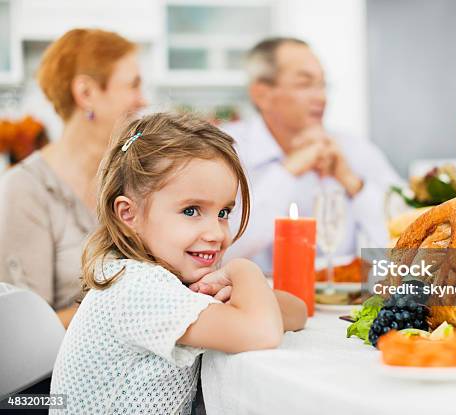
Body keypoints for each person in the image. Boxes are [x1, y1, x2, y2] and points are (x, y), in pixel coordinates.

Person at [50, 112, 306, 414]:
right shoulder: (137, 288)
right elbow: (263, 332)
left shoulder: (172, 281)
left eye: (223, 213)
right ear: (129, 214)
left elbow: (296, 312)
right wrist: (243, 270)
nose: (215, 233)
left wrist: (238, 293)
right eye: (191, 211)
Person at [0, 28, 146, 327]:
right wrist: (135, 302)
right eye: (132, 85)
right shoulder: (25, 189)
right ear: (86, 93)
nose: (142, 100)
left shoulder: (136, 178)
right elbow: (26, 330)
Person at [223, 37, 402, 271]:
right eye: (305, 84)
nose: (321, 97)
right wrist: (288, 171)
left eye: (323, 85)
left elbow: (405, 231)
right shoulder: (226, 150)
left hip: (343, 301)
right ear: (262, 94)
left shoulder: (353, 148)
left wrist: (351, 180)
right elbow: (226, 248)